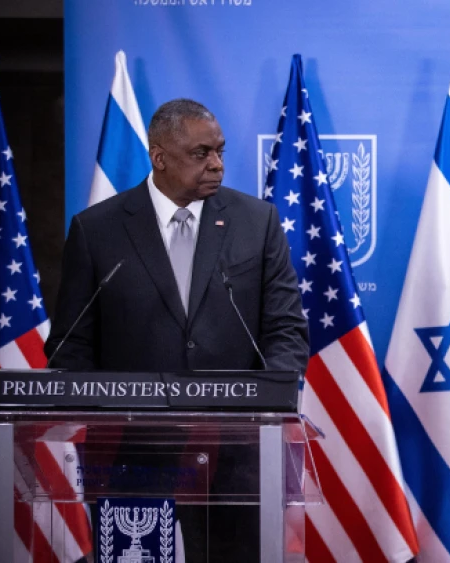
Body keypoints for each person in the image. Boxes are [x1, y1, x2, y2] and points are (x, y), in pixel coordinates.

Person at [45, 99, 309, 562]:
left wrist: (268, 400)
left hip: (236, 454)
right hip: (132, 455)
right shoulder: (98, 230)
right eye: (201, 153)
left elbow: (286, 329)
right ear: (159, 156)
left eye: (221, 151)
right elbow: (71, 346)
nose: (217, 165)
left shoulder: (257, 223)